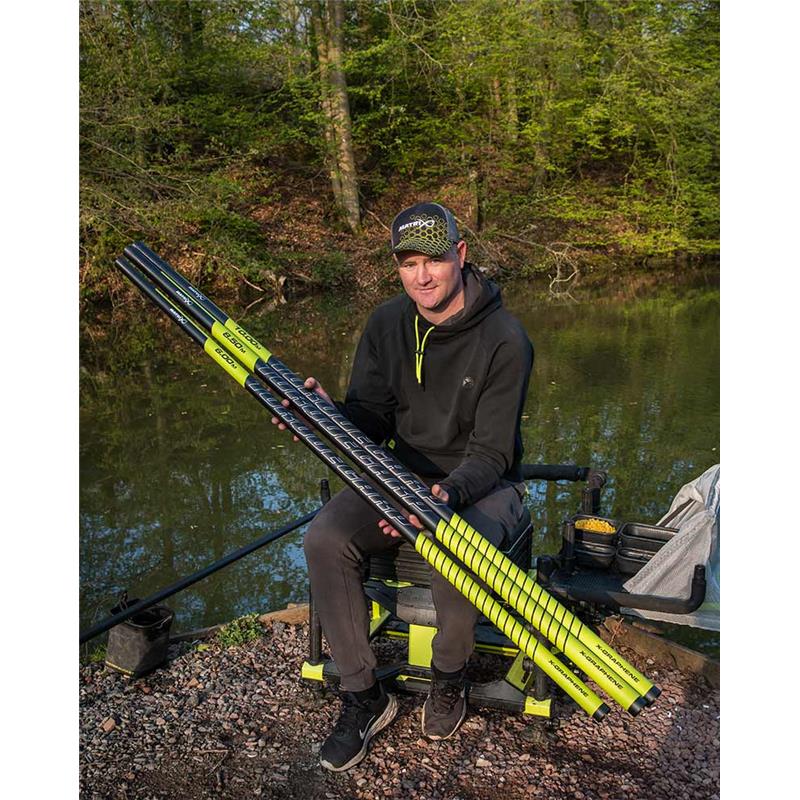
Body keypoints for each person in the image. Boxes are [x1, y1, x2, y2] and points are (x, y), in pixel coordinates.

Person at [271, 201, 534, 772]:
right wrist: (327, 415)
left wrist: (442, 499)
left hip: (483, 484)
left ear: (460, 255)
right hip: (399, 476)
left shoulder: (506, 339)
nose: (422, 276)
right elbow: (371, 417)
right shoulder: (386, 323)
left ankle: (449, 676)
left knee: (452, 546)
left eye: (433, 260)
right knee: (324, 538)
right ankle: (363, 695)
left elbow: (493, 453)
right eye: (408, 263)